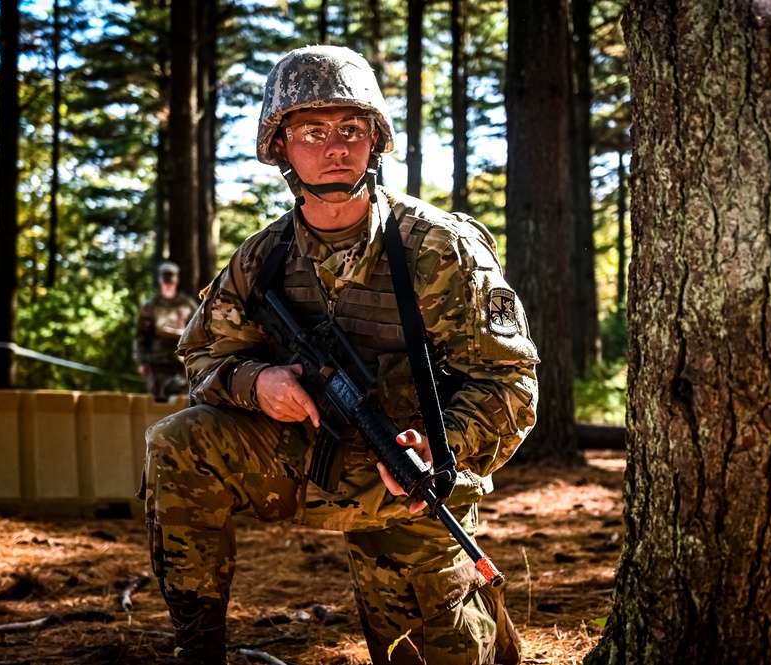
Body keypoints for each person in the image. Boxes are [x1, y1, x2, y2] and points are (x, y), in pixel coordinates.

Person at [141, 45, 539, 665]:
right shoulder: (262, 258)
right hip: (302, 462)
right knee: (176, 441)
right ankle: (198, 649)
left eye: (352, 129)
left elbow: (511, 381)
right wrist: (258, 382)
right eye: (313, 131)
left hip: (410, 480)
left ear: (376, 140)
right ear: (279, 147)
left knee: (435, 654)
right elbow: (202, 357)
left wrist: (441, 446)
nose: (336, 148)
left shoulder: (439, 250)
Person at [135, 261, 198, 400]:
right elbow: (141, 336)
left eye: (171, 281)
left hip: (182, 365)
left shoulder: (188, 305)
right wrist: (142, 362)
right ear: (160, 280)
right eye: (165, 281)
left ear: (177, 280)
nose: (168, 285)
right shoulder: (150, 306)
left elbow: (199, 333)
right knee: (157, 405)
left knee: (183, 406)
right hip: (158, 364)